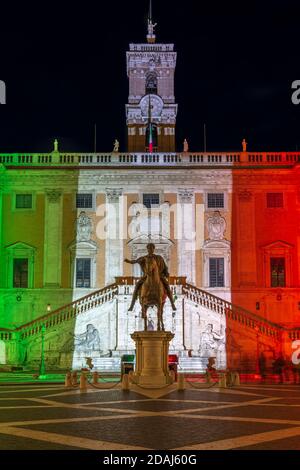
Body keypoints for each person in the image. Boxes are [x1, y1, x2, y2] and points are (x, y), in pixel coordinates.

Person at [124, 243, 176, 311]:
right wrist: (128, 261)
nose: (150, 249)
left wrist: (166, 273)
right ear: (147, 249)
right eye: (149, 248)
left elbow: (164, 267)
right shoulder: (144, 258)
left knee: (167, 285)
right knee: (137, 286)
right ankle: (132, 305)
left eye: (151, 248)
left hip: (159, 276)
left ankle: (172, 303)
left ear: (153, 249)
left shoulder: (159, 258)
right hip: (146, 276)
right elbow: (135, 261)